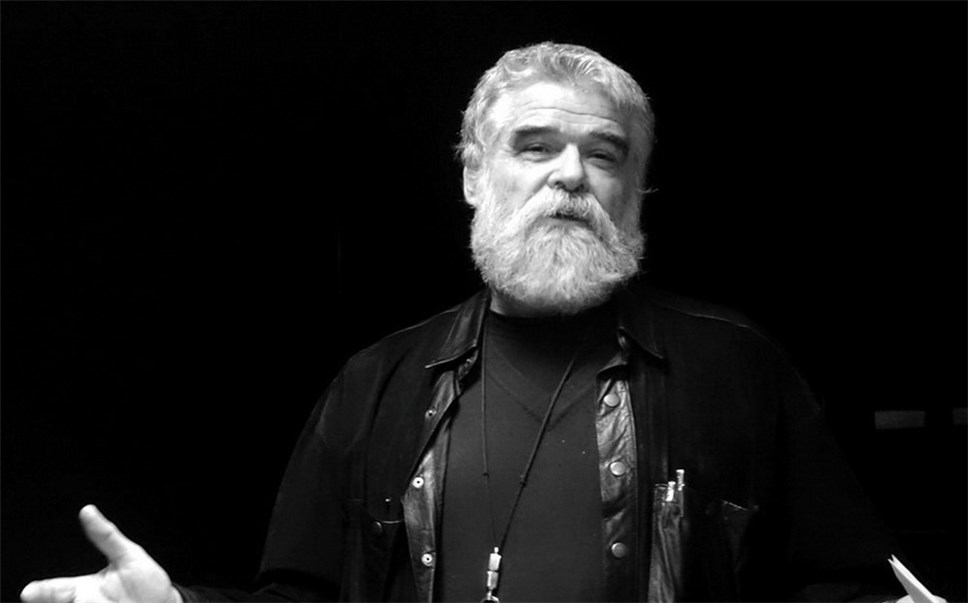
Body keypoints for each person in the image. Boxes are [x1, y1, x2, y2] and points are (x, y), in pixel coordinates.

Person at [22, 42, 911, 603]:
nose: (571, 175)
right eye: (536, 146)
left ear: (634, 192)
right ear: (474, 178)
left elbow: (844, 585)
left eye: (604, 154)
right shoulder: (377, 382)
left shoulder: (736, 366)